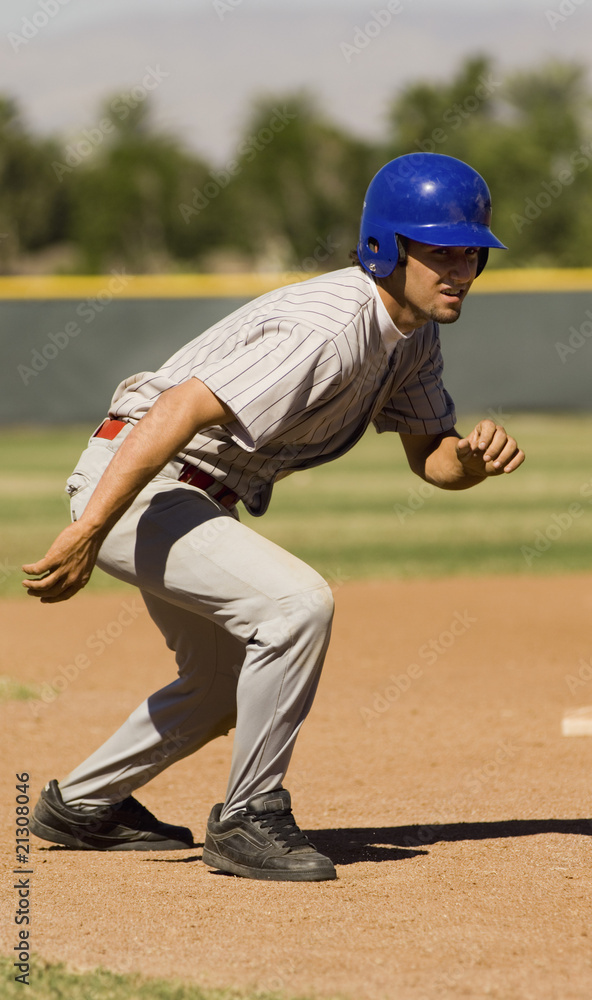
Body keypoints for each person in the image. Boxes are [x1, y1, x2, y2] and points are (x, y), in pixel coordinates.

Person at [24, 152, 525, 882]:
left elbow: (431, 457)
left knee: (222, 687)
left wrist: (468, 463)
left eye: (472, 253)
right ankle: (249, 816)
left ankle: (81, 805)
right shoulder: (328, 328)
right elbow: (176, 409)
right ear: (387, 248)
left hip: (185, 496)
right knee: (295, 605)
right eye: (440, 250)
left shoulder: (412, 335)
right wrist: (89, 527)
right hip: (141, 484)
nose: (460, 270)